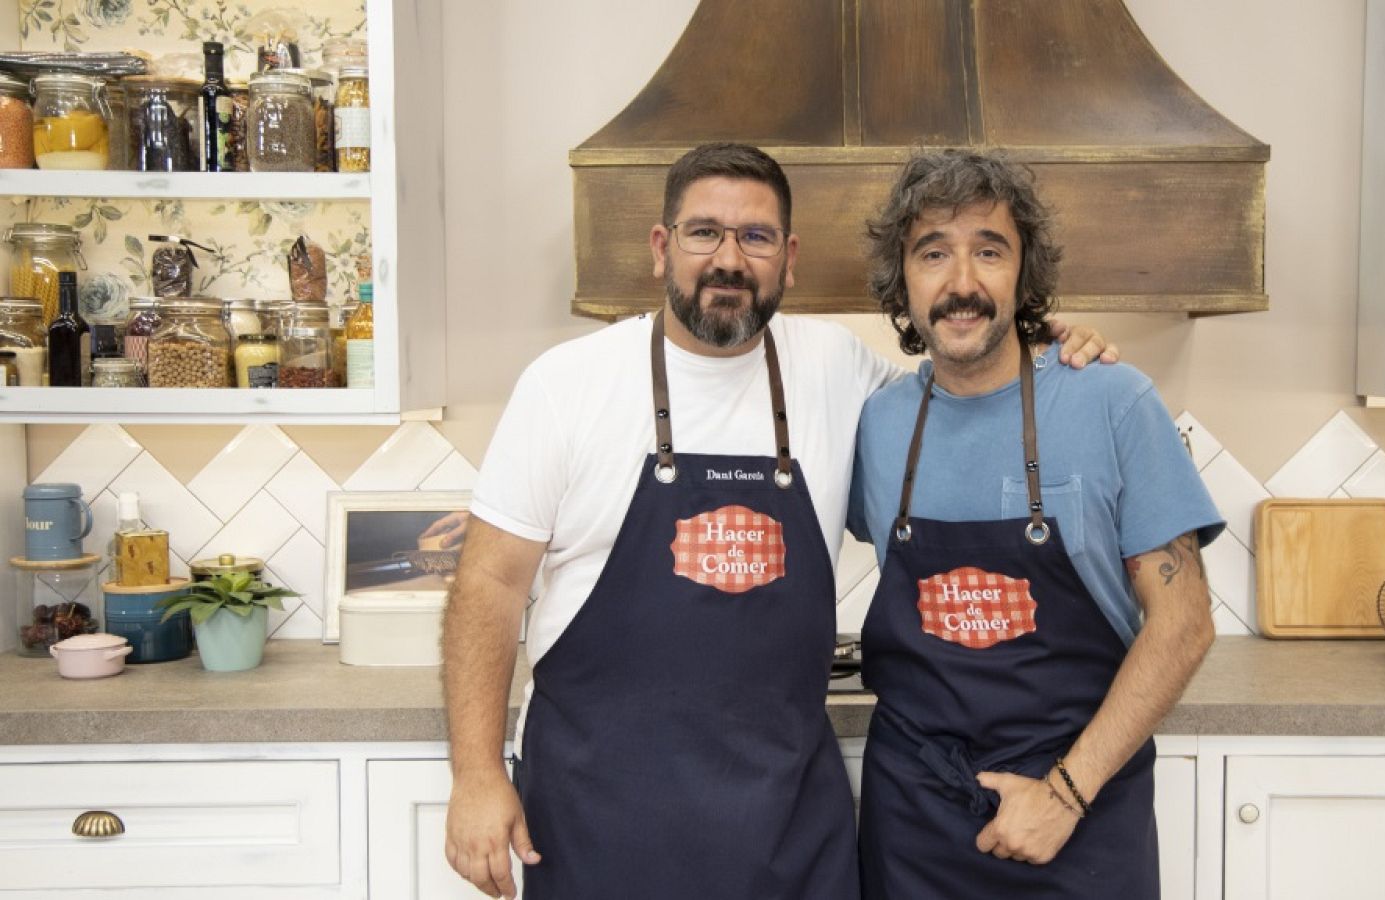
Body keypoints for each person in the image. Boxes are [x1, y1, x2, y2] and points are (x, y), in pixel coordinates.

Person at [440, 142, 1114, 900]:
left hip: (788, 835)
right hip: (600, 819)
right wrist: (476, 774)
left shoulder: (837, 368)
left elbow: (966, 391)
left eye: (755, 237)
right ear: (662, 247)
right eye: (704, 232)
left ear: (788, 258)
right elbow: (489, 587)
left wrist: (1039, 341)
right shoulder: (567, 385)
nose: (729, 259)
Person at [848, 149, 1222, 899]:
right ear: (904, 281)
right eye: (933, 254)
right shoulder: (880, 425)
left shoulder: (1111, 399)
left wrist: (1063, 795)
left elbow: (1183, 623)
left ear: (1023, 274)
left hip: (1079, 815)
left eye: (989, 251)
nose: (962, 284)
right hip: (914, 822)